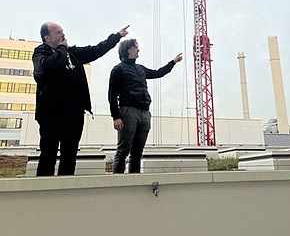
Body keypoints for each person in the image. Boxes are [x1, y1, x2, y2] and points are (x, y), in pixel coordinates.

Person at [32, 22, 129, 176]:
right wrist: (62, 49)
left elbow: (96, 50)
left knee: (69, 154)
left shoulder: (73, 53)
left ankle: (65, 190)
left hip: (74, 114)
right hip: (52, 114)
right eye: (58, 32)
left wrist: (116, 37)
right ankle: (44, 194)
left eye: (63, 31)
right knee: (48, 154)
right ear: (47, 37)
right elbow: (49, 66)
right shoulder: (41, 53)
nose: (63, 34)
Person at [109, 39, 182, 173]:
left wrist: (173, 62)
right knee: (123, 150)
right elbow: (112, 95)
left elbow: (158, 73)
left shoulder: (140, 69)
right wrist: (116, 117)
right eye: (135, 47)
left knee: (137, 152)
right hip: (128, 111)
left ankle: (134, 183)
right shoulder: (118, 70)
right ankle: (117, 184)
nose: (138, 50)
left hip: (145, 113)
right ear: (128, 50)